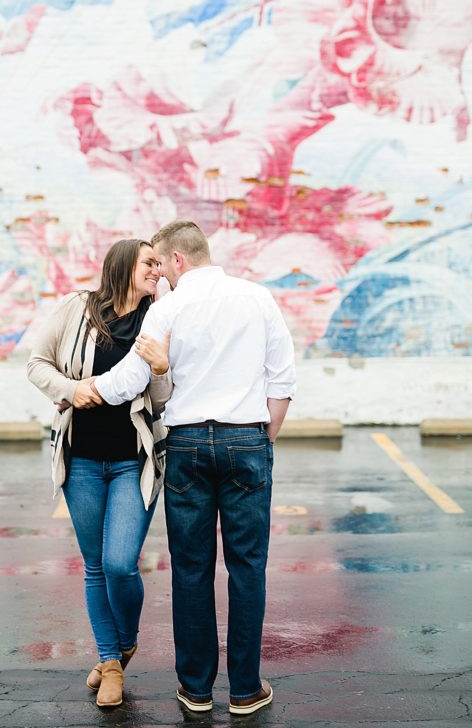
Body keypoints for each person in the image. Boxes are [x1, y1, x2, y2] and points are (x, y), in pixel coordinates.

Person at [90, 220, 296, 716]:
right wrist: (261, 438)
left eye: (161, 264)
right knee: (247, 567)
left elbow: (127, 382)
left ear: (178, 259)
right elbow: (282, 379)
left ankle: (196, 690)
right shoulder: (258, 298)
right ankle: (245, 690)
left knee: (190, 569)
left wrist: (80, 391)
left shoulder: (168, 309)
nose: (159, 274)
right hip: (246, 438)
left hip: (187, 446)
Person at [26, 239, 171, 708]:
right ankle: (110, 662)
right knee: (94, 566)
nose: (158, 270)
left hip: (133, 460)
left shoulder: (158, 319)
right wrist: (71, 390)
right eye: (149, 262)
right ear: (124, 265)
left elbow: (163, 398)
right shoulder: (77, 308)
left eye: (160, 264)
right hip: (82, 460)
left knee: (119, 564)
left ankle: (124, 643)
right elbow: (37, 364)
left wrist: (161, 368)